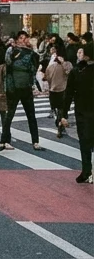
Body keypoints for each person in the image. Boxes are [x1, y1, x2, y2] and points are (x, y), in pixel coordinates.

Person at [3, 31, 44, 149]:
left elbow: (35, 66)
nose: (23, 40)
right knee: (10, 114)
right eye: (21, 38)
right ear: (16, 40)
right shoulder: (11, 50)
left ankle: (35, 141)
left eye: (25, 38)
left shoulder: (31, 53)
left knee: (31, 115)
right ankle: (4, 140)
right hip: (13, 86)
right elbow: (8, 63)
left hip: (26, 86)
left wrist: (33, 48)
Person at [71, 46, 94, 183]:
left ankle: (86, 170)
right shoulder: (78, 70)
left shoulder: (78, 70)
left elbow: (69, 91)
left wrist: (63, 113)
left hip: (83, 110)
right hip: (85, 109)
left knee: (85, 141)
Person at [48, 45, 73, 139]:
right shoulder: (67, 64)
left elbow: (47, 77)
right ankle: (60, 123)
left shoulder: (53, 65)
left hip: (54, 90)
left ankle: (59, 123)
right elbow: (69, 74)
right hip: (63, 90)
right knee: (61, 109)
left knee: (58, 109)